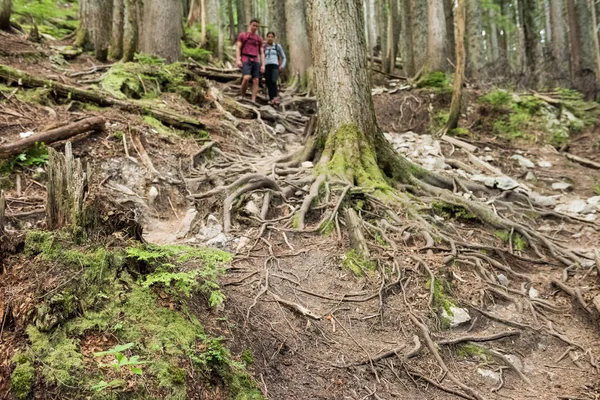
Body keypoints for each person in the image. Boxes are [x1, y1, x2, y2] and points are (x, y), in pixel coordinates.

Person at [236, 19, 265, 102]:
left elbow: (262, 52)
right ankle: (242, 96)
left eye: (257, 26)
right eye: (254, 25)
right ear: (249, 25)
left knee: (256, 80)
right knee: (246, 77)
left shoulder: (259, 39)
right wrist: (238, 59)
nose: (255, 27)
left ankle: (253, 100)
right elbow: (238, 47)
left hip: (256, 60)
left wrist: (263, 65)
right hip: (245, 58)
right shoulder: (243, 35)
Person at [264, 32, 287, 105]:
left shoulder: (277, 46)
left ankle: (275, 98)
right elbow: (260, 57)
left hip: (275, 66)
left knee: (274, 81)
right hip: (266, 66)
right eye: (269, 36)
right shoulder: (264, 47)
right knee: (268, 82)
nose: (270, 38)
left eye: (271, 37)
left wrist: (282, 66)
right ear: (266, 37)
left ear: (274, 38)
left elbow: (284, 57)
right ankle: (271, 99)